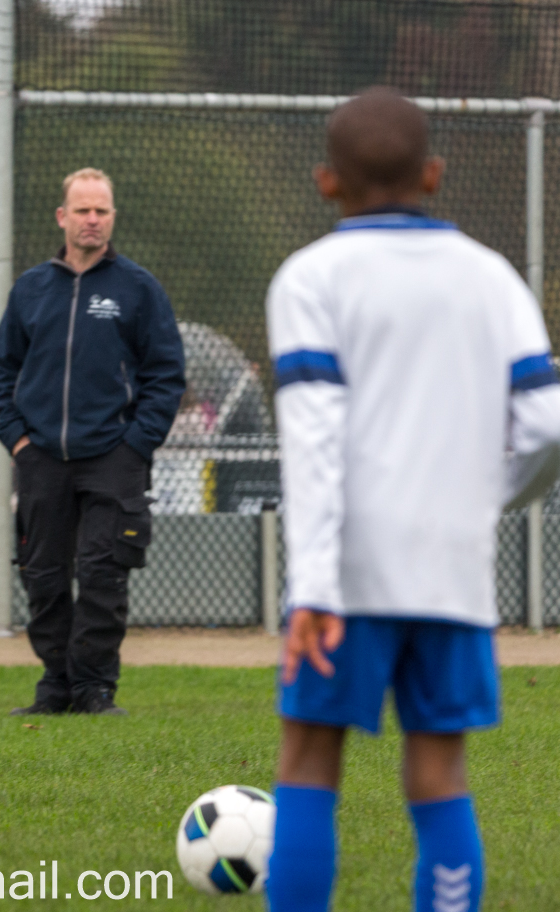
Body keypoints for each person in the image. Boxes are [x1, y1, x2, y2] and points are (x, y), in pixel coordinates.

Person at [265, 87, 560, 912]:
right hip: (451, 568)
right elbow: (547, 423)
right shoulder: (492, 277)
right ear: (433, 174)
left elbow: (315, 441)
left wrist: (312, 587)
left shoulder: (309, 278)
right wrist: (486, 498)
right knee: (439, 771)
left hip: (346, 574)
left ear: (326, 181)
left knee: (309, 760)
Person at [0, 167, 185, 717]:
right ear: (63, 217)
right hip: (42, 458)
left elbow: (166, 374)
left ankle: (95, 688)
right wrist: (18, 440)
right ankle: (55, 685)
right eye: (83, 210)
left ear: (113, 217)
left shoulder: (139, 289)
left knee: (103, 574)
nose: (92, 219)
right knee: (43, 575)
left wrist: (136, 445)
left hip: (113, 459)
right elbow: (3, 371)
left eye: (102, 210)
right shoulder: (30, 289)